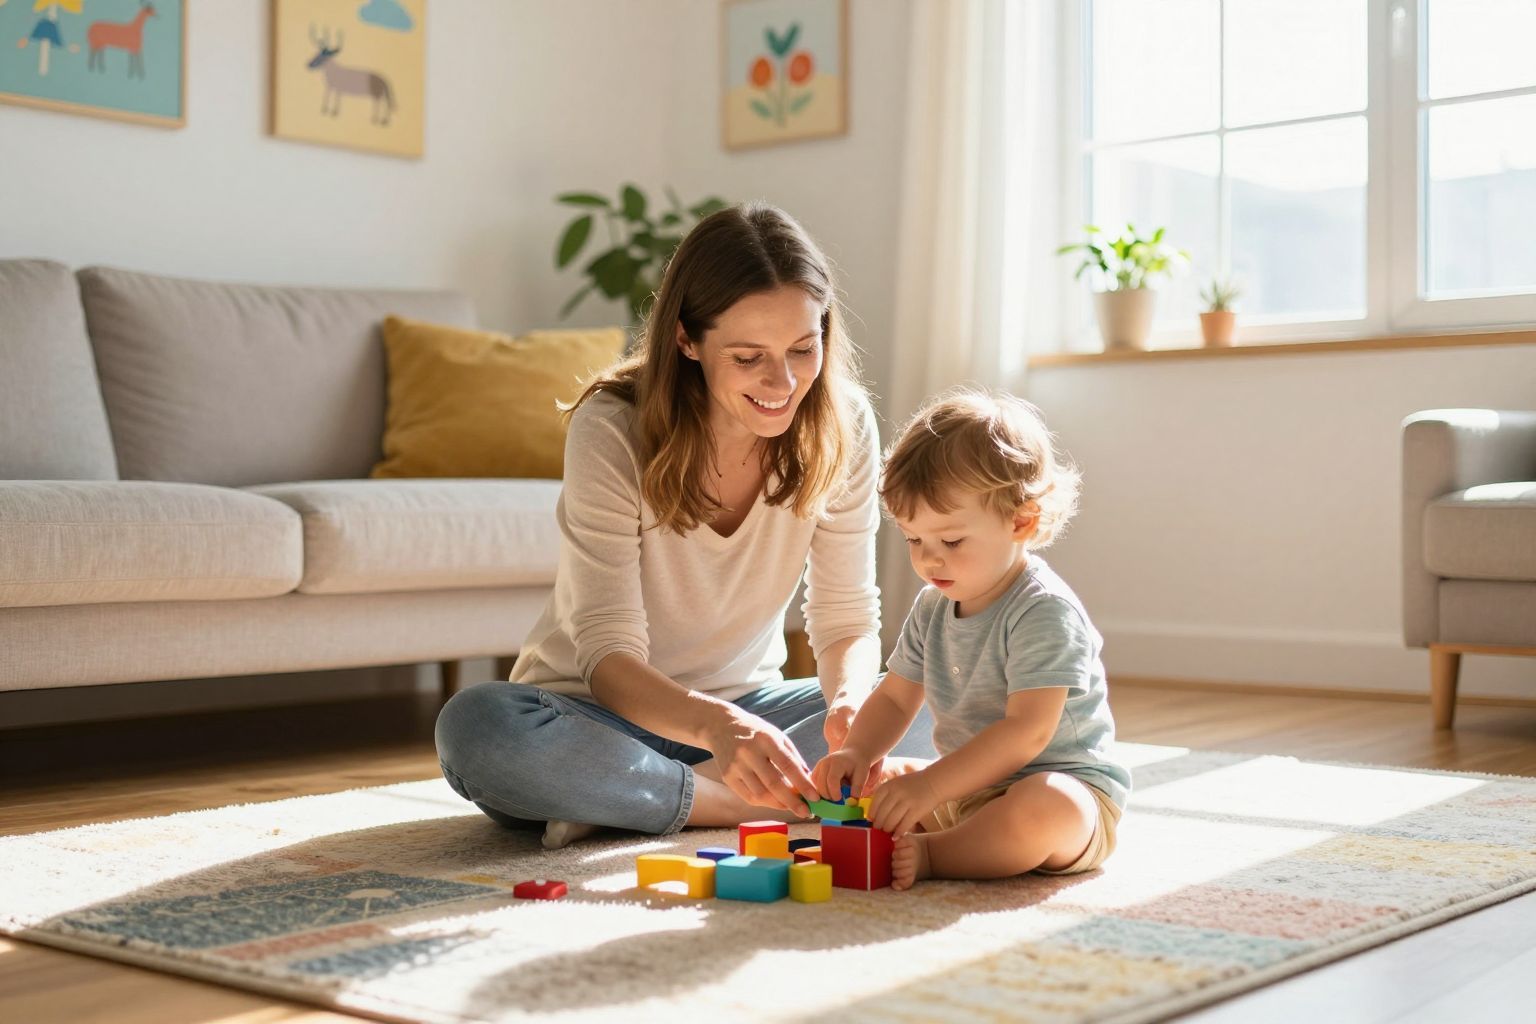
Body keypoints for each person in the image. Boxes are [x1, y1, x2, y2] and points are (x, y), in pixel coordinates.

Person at [435, 202, 933, 849]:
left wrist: (850, 709)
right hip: (592, 713)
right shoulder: (613, 428)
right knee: (477, 728)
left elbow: (845, 619)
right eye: (749, 356)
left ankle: (636, 798)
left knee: (931, 705)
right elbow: (608, 657)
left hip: (752, 713)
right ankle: (733, 803)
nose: (782, 381)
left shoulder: (843, 425)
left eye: (802, 348)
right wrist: (719, 732)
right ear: (687, 339)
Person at [811, 390, 1131, 890]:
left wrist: (933, 786)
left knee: (1044, 805)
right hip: (966, 791)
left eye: (952, 541)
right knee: (887, 781)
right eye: (914, 540)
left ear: (1021, 521)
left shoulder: (1043, 611)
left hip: (1061, 794)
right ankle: (952, 833)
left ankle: (939, 855)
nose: (929, 560)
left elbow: (1026, 734)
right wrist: (858, 752)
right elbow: (895, 698)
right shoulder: (932, 606)